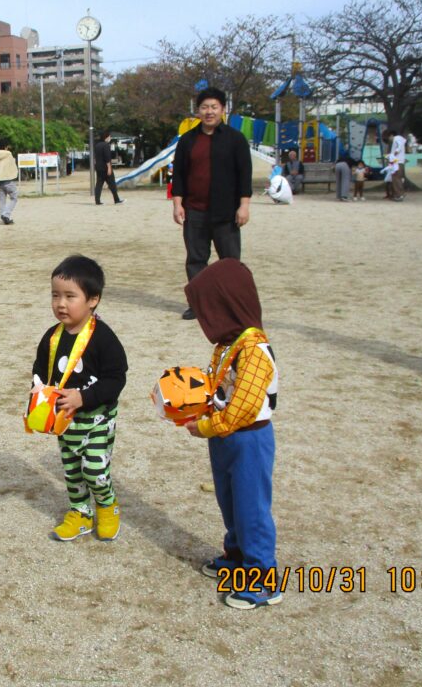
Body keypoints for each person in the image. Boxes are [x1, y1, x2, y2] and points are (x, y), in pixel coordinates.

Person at [184, 258, 281, 610]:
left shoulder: (254, 351)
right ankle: (237, 557)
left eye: (207, 311)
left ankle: (263, 577)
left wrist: (208, 426)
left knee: (251, 506)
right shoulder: (228, 344)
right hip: (223, 437)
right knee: (230, 501)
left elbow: (241, 407)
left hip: (248, 439)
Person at [33, 255, 127, 542]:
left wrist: (84, 397)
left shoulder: (103, 337)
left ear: (93, 300)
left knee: (94, 467)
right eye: (55, 295)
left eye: (70, 296)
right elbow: (40, 370)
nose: (60, 303)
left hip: (97, 417)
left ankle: (107, 506)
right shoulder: (52, 337)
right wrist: (37, 394)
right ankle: (80, 513)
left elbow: (116, 377)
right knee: (72, 470)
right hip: (65, 420)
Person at [171, 86, 252, 320]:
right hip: (195, 211)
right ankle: (200, 305)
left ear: (223, 109)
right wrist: (178, 204)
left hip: (226, 212)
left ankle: (233, 305)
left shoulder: (235, 140)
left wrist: (244, 205)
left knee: (230, 262)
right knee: (196, 260)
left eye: (214, 107)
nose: (209, 112)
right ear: (198, 111)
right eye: (205, 107)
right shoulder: (187, 140)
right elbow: (179, 175)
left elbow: (244, 175)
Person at [0, 139, 19, 225]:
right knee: (14, 198)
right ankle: (6, 215)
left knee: (2, 200)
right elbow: (13, 165)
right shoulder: (8, 154)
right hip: (8, 180)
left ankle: (3, 216)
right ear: (5, 147)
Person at [94, 131, 124, 205]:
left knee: (99, 184)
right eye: (109, 137)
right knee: (112, 184)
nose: (110, 138)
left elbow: (95, 158)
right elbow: (107, 158)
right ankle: (116, 200)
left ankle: (97, 201)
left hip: (98, 167)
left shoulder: (97, 145)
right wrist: (109, 168)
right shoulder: (106, 145)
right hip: (105, 167)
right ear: (106, 137)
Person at [384, 129, 406, 201]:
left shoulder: (397, 138)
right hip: (396, 162)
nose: (389, 140)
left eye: (388, 137)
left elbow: (399, 147)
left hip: (398, 162)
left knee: (396, 178)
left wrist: (394, 154)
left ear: (391, 135)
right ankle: (398, 194)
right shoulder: (396, 140)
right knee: (395, 178)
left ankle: (400, 195)